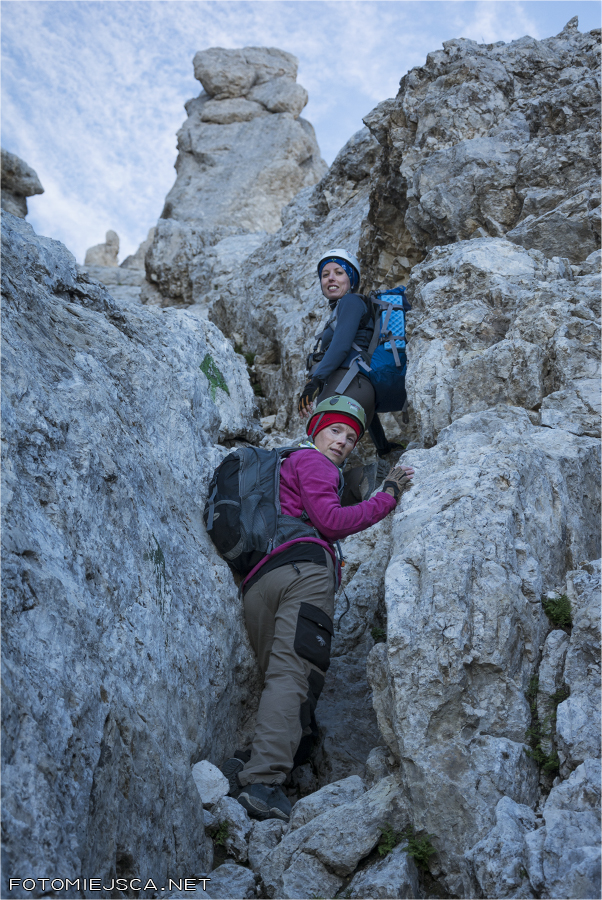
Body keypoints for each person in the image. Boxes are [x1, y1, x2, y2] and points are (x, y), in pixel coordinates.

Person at [222, 396, 414, 822]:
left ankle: (251, 758)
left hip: (259, 584)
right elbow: (329, 521)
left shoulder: (285, 465)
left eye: (351, 437)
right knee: (294, 676)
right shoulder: (314, 464)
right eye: (335, 430)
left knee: (280, 678)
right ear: (316, 430)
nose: (343, 442)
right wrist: (389, 496)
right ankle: (262, 783)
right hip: (304, 572)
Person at [298, 248, 405, 458]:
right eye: (325, 274)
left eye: (339, 272)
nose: (331, 278)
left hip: (344, 385)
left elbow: (341, 346)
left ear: (351, 279)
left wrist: (315, 381)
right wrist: (382, 446)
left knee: (318, 456)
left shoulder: (351, 301)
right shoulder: (344, 309)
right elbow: (365, 407)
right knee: (327, 456)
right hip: (357, 390)